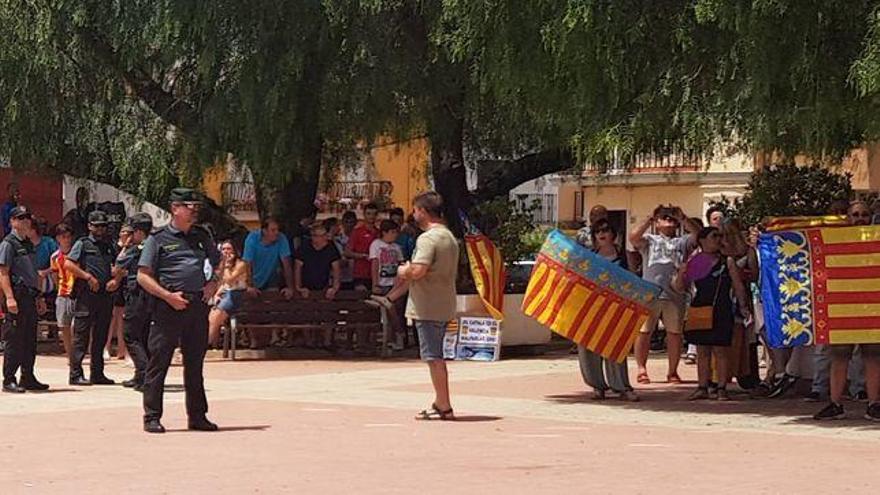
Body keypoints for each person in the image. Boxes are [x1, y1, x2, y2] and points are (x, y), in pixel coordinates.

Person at [137, 188, 220, 434]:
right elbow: (143, 276)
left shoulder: (202, 236)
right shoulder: (158, 238)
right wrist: (167, 296)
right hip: (168, 306)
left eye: (196, 207)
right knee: (158, 363)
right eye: (188, 206)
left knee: (195, 364)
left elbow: (217, 262)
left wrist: (213, 282)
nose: (194, 211)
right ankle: (152, 416)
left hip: (196, 306)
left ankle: (197, 416)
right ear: (175, 208)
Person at [814, 201, 880, 421]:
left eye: (864, 214)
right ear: (848, 218)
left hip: (871, 307)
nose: (860, 218)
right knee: (839, 357)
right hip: (841, 306)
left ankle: (873, 404)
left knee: (872, 357)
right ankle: (835, 403)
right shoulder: (833, 240)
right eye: (855, 215)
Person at [399, 191, 459, 421]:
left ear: (423, 211)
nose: (413, 214)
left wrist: (403, 270)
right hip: (444, 304)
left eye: (415, 210)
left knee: (433, 357)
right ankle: (440, 401)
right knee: (436, 355)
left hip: (427, 306)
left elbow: (418, 270)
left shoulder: (427, 239)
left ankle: (443, 404)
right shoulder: (449, 238)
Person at [675, 227, 750, 401]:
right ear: (702, 240)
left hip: (721, 308)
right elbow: (680, 287)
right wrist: (681, 272)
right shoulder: (696, 261)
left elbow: (738, 285)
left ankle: (721, 387)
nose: (717, 239)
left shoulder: (727, 261)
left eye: (719, 236)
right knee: (702, 350)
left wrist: (743, 305)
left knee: (721, 350)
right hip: (699, 306)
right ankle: (702, 386)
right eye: (713, 236)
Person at [629, 205, 700, 385]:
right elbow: (633, 237)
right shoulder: (649, 240)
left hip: (674, 294)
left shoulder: (682, 242)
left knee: (674, 334)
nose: (669, 221)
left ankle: (672, 371)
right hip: (649, 293)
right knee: (644, 332)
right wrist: (649, 218)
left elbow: (700, 236)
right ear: (658, 223)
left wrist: (683, 217)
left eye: (672, 219)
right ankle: (641, 369)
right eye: (665, 218)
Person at [577, 219, 638, 401]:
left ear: (613, 234)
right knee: (590, 348)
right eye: (597, 232)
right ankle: (597, 386)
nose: (601, 234)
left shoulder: (624, 255)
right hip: (592, 307)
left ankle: (621, 386)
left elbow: (633, 279)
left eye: (605, 230)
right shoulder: (589, 256)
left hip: (617, 309)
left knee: (616, 347)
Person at [65, 210, 118, 386]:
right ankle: (75, 374)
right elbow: (68, 264)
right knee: (81, 336)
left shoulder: (109, 245)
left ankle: (98, 373)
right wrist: (87, 277)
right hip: (87, 295)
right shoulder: (83, 243)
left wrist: (115, 280)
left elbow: (118, 266)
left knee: (101, 336)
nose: (101, 229)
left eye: (103, 226)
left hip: (105, 295)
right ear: (89, 226)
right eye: (97, 226)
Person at [0, 206, 49, 392]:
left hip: (29, 295)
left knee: (29, 338)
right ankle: (9, 379)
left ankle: (27, 376)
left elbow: (33, 273)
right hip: (17, 296)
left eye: (27, 218)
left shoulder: (28, 244)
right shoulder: (8, 244)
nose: (25, 221)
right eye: (20, 218)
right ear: (12, 221)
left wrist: (39, 296)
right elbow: (3, 273)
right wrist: (10, 298)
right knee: (14, 338)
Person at [108, 214, 153, 391]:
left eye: (132, 232)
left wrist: (125, 246)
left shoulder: (137, 248)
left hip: (137, 294)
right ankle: (140, 375)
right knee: (143, 335)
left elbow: (118, 265)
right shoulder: (155, 244)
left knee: (130, 335)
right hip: (150, 294)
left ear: (139, 232)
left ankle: (145, 373)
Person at [294, 223, 342, 348]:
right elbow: (298, 268)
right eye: (314, 236)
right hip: (306, 285)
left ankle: (327, 341)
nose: (316, 238)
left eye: (320, 236)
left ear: (326, 236)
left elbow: (336, 268)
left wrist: (334, 287)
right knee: (306, 311)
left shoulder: (331, 248)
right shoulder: (304, 247)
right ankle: (309, 340)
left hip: (323, 284)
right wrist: (299, 287)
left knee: (328, 309)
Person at [370, 220, 406, 350]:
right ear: (384, 232)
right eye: (392, 232)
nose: (395, 235)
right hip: (382, 282)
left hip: (395, 284)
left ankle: (397, 337)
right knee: (387, 311)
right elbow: (375, 263)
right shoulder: (376, 245)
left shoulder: (397, 247)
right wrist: (375, 283)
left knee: (396, 311)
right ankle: (392, 336)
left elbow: (401, 265)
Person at [208, 240, 249, 346]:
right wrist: (217, 294)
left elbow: (229, 280)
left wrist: (226, 265)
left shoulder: (241, 264)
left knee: (216, 317)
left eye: (229, 249)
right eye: (223, 249)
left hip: (237, 294)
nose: (226, 252)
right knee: (212, 317)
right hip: (225, 293)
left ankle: (205, 344)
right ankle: (210, 343)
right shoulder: (220, 265)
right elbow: (222, 283)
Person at [242, 217, 294, 297]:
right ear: (264, 231)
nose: (277, 233)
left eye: (278, 230)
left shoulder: (281, 238)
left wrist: (290, 288)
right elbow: (247, 264)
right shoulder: (252, 239)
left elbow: (286, 264)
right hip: (253, 278)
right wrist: (250, 286)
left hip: (271, 278)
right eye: (273, 230)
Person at [106, 224, 133, 362]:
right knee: (112, 316)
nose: (127, 235)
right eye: (124, 232)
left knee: (124, 317)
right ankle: (106, 347)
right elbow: (117, 264)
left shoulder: (135, 247)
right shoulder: (114, 246)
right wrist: (124, 247)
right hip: (115, 283)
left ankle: (123, 350)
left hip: (128, 284)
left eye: (129, 233)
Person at [50, 223, 76, 359]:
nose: (66, 239)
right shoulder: (55, 257)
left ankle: (78, 353)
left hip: (76, 293)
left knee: (75, 326)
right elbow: (55, 275)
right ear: (58, 238)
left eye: (68, 236)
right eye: (63, 237)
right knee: (64, 326)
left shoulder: (76, 253)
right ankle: (70, 355)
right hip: (63, 292)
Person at [345, 202, 379, 290]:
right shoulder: (357, 232)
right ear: (364, 215)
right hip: (360, 274)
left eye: (374, 214)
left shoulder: (379, 232)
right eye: (369, 214)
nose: (371, 216)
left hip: (376, 274)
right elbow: (347, 252)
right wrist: (363, 256)